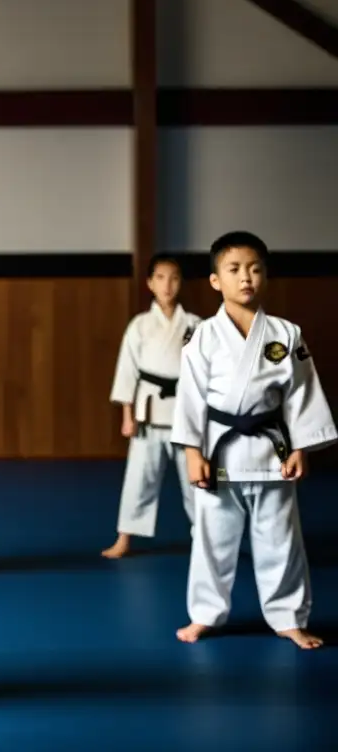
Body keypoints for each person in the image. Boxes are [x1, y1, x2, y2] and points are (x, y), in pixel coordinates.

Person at [171, 231, 336, 648]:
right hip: (218, 451)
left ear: (266, 277)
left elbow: (302, 392)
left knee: (281, 540)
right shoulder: (202, 337)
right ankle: (205, 614)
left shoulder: (286, 333)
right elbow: (190, 397)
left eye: (255, 269)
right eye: (234, 269)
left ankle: (287, 617)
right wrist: (193, 453)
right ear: (215, 281)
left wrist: (301, 445)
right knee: (212, 540)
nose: (246, 277)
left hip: (270, 453)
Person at [103, 254, 201, 558]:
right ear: (150, 283)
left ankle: (207, 539)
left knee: (195, 480)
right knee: (139, 478)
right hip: (148, 412)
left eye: (173, 278)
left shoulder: (195, 324)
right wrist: (126, 414)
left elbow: (204, 372)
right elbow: (127, 371)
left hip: (185, 413)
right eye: (160, 277)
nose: (167, 285)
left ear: (181, 282)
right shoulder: (140, 325)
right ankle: (125, 538)